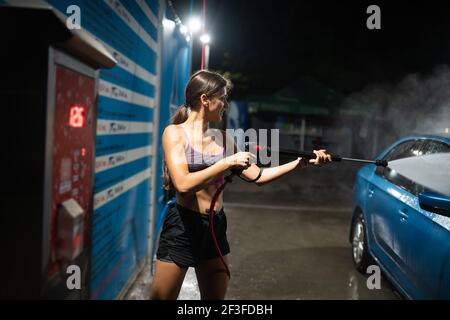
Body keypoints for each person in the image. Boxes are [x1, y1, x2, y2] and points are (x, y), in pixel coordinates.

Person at [149, 70, 331, 300]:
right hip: (182, 228)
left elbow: (259, 177)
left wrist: (300, 163)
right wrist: (226, 162)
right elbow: (183, 185)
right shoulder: (175, 133)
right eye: (222, 98)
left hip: (215, 227)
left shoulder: (224, 138)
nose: (225, 104)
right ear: (205, 99)